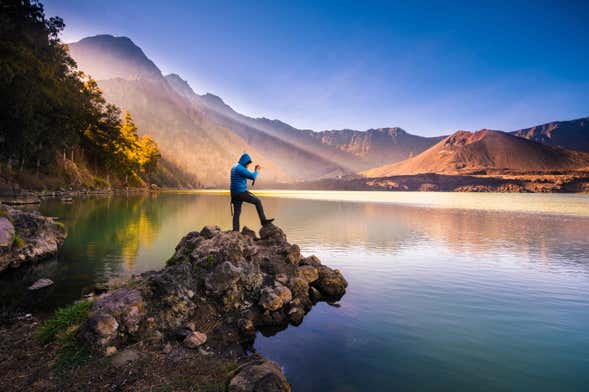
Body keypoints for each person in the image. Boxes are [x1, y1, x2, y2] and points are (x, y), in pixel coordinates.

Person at [230, 153, 274, 231]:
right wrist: (257, 171)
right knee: (257, 201)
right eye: (248, 164)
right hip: (241, 192)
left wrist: (253, 171)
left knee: (237, 212)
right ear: (245, 162)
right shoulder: (240, 168)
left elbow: (245, 175)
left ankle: (235, 231)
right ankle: (263, 221)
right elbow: (252, 176)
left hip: (234, 193)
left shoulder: (235, 166)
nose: (248, 166)